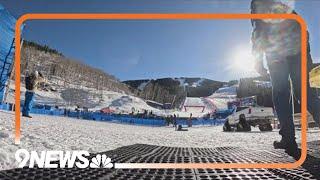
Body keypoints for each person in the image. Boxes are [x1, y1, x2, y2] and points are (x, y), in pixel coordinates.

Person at [251, 0, 320, 158]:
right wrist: (306, 55)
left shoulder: (258, 3)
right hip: (298, 48)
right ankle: (287, 138)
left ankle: (288, 140)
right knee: (306, 94)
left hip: (276, 51)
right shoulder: (282, 6)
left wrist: (257, 60)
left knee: (281, 93)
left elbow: (258, 32)